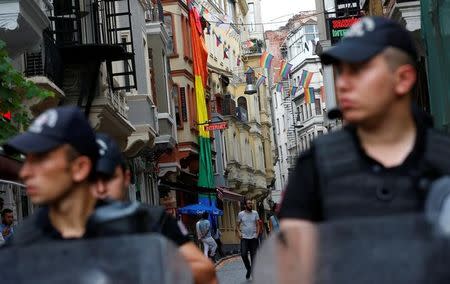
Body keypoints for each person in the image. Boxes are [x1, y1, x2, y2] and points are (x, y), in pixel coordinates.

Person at [279, 16, 450, 232]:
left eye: (358, 70)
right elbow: (293, 256)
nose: (342, 84)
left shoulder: (443, 157)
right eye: (341, 72)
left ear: (403, 79)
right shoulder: (316, 165)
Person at [93, 133, 217, 284]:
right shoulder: (63, 228)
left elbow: (204, 271)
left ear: (126, 178)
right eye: (91, 179)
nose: (100, 188)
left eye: (108, 178)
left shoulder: (153, 220)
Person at [3, 106, 99, 243]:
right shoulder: (20, 244)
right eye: (26, 158)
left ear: (80, 168)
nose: (24, 172)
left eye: (40, 159)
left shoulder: (129, 233)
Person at [237, 199, 260, 280]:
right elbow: (237, 225)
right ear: (245, 205)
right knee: (243, 254)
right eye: (249, 203)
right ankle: (249, 269)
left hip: (253, 237)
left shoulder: (255, 213)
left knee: (254, 256)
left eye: (251, 203)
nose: (251, 205)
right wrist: (239, 232)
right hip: (244, 238)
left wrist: (257, 234)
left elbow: (258, 224)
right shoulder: (241, 214)